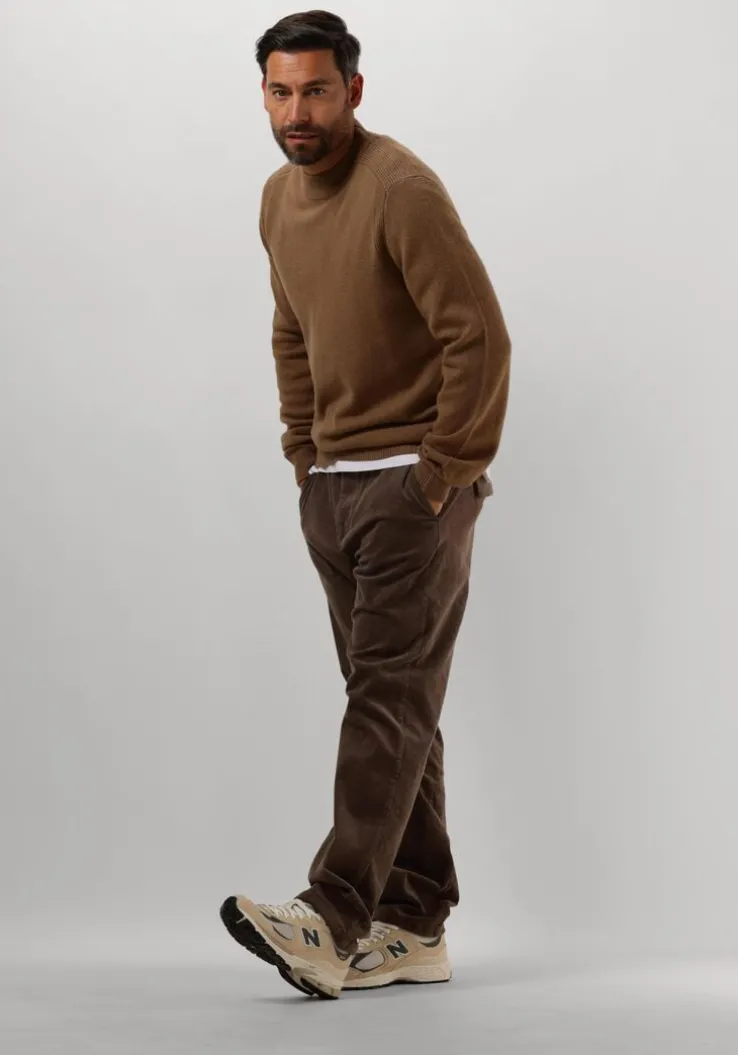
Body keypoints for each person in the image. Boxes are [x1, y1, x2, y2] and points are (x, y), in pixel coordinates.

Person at [220, 10, 511, 1000]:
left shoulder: (399, 188)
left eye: (316, 89)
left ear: (353, 88)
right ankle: (415, 918)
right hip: (336, 489)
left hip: (412, 490)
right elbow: (290, 332)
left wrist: (442, 473)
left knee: (383, 699)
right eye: (280, 91)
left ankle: (333, 914)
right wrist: (305, 459)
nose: (297, 112)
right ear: (263, 95)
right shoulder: (276, 199)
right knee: (399, 704)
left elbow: (479, 334)